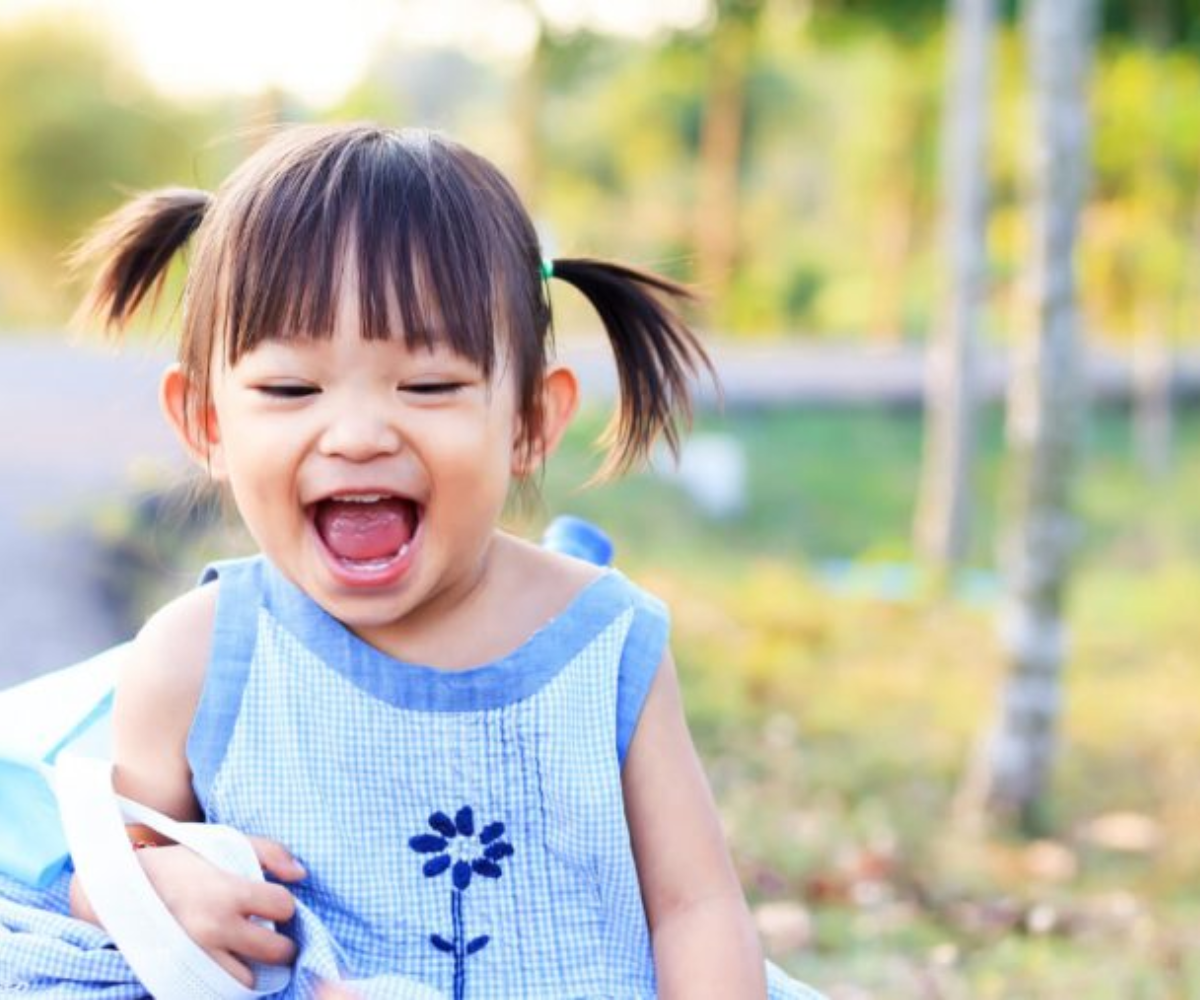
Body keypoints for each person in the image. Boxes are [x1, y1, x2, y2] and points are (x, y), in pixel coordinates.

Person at [34, 124, 822, 999]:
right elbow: (109, 874)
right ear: (206, 424)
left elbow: (695, 907)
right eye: (293, 388)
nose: (361, 435)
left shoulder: (604, 646)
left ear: (529, 421)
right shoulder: (197, 658)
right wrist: (148, 889)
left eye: (430, 386)